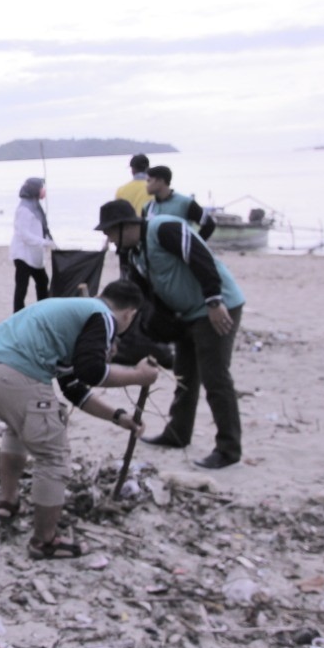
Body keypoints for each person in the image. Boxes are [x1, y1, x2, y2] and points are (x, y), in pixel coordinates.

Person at [0, 279, 155, 558]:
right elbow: (92, 371)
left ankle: (8, 502)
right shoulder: (104, 316)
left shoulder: (74, 311)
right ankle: (45, 541)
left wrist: (118, 417)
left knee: (19, 429)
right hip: (14, 373)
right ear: (130, 313)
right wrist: (138, 377)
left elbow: (74, 388)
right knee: (54, 457)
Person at [96, 200, 245, 469]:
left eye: (108, 232)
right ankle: (177, 434)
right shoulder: (133, 254)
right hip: (185, 314)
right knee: (185, 374)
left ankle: (228, 449)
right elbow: (134, 299)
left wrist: (213, 300)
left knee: (215, 377)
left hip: (218, 307)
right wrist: (116, 335)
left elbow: (201, 258)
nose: (108, 239)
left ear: (124, 226)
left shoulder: (164, 229)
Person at [11, 178, 53, 311]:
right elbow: (24, 234)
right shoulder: (24, 209)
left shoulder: (36, 206)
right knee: (22, 287)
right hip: (23, 255)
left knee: (43, 281)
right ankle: (17, 313)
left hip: (35, 255)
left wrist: (49, 241)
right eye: (41, 187)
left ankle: (43, 310)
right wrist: (44, 242)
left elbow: (41, 227)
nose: (43, 190)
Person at [143, 166, 216, 240]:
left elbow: (209, 224)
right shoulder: (148, 207)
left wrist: (193, 245)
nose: (146, 185)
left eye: (149, 181)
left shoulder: (185, 203)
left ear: (160, 181)